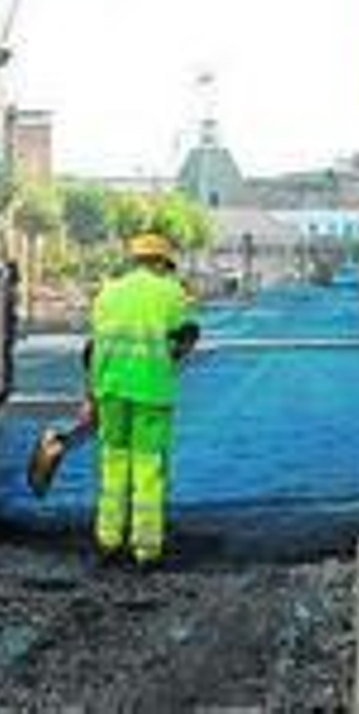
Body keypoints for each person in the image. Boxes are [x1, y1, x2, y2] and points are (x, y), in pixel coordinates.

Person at [85, 232, 200, 568]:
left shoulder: (108, 292)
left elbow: (93, 347)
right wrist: (180, 346)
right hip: (151, 390)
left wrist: (91, 393)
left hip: (110, 389)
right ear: (163, 263)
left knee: (113, 464)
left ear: (133, 259)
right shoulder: (170, 292)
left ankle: (108, 539)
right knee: (147, 468)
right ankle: (146, 548)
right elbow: (184, 335)